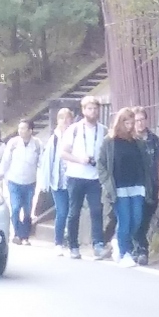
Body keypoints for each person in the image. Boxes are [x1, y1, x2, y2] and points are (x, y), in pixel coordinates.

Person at [97, 107, 152, 268]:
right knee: (125, 220)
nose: (129, 126)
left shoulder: (137, 142)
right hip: (118, 188)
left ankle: (118, 241)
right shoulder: (109, 141)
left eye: (131, 123)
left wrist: (147, 184)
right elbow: (101, 164)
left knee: (137, 219)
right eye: (126, 123)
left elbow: (145, 164)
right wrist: (107, 184)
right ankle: (124, 252)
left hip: (137, 186)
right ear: (119, 122)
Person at [61, 95, 107, 259]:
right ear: (83, 110)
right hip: (75, 176)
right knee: (74, 211)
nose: (93, 111)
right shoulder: (74, 129)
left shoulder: (103, 130)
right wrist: (79, 160)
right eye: (89, 108)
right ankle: (73, 245)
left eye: (95, 108)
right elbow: (63, 153)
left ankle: (98, 244)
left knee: (96, 210)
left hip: (94, 177)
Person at [36, 107, 73, 255]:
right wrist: (45, 182)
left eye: (68, 118)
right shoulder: (55, 139)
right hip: (58, 181)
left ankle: (71, 240)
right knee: (62, 211)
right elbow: (47, 162)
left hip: (72, 180)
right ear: (58, 120)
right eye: (62, 118)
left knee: (72, 212)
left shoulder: (75, 136)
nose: (65, 121)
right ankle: (58, 242)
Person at [0, 119, 43, 246]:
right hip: (14, 180)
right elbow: (6, 161)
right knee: (15, 208)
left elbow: (41, 162)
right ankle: (17, 234)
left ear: (30, 130)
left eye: (23, 128)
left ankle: (25, 236)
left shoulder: (37, 144)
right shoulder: (13, 143)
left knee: (28, 209)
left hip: (30, 182)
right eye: (19, 128)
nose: (20, 131)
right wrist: (2, 175)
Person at [132, 106, 159, 265]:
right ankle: (140, 249)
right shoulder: (129, 139)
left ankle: (139, 247)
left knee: (145, 219)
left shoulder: (154, 140)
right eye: (136, 120)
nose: (139, 123)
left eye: (142, 119)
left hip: (152, 185)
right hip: (134, 185)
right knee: (136, 217)